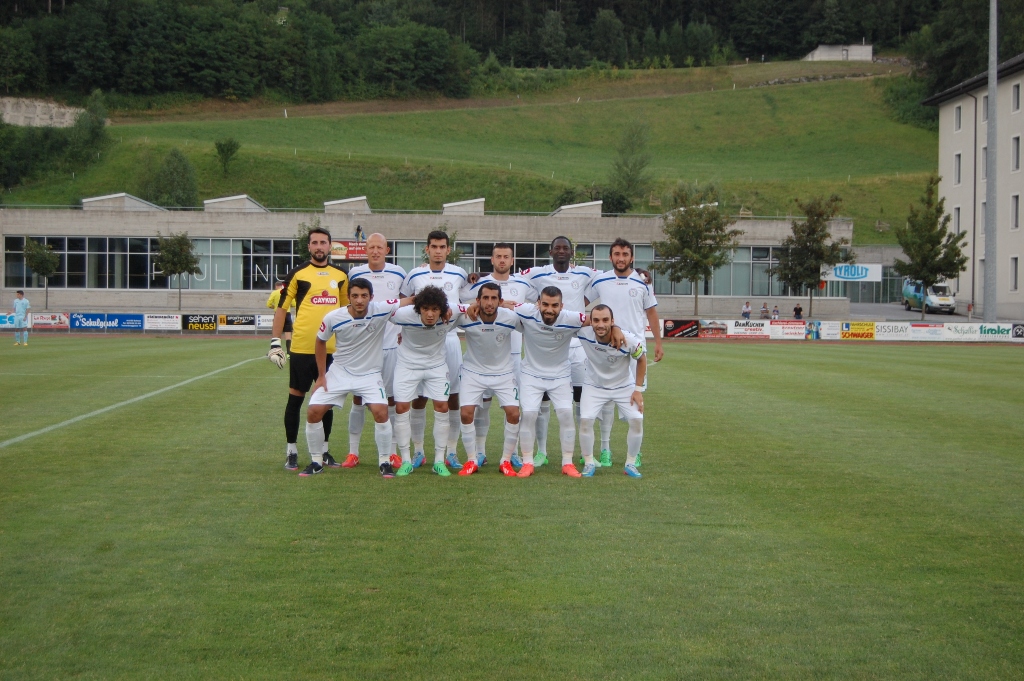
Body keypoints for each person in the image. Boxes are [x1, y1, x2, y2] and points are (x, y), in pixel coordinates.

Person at [302, 279, 412, 478]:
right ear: (348, 297)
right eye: (355, 296)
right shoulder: (334, 317)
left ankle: (384, 462)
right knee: (313, 411)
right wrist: (321, 376)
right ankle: (316, 462)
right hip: (339, 372)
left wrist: (444, 306)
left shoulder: (380, 309)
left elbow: (412, 300)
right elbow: (320, 341)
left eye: (364, 296)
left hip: (369, 374)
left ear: (371, 297)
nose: (359, 300)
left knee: (381, 412)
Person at [511, 286, 624, 478]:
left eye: (555, 305)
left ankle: (567, 462)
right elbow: (503, 305)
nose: (549, 309)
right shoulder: (526, 311)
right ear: (538, 303)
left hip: (560, 375)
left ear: (561, 306)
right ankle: (527, 462)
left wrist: (617, 328)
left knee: (566, 415)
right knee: (529, 415)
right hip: (531, 374)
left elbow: (596, 321)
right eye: (545, 304)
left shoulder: (571, 318)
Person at [267, 227, 349, 471]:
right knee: (296, 398)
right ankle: (291, 450)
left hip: (332, 348)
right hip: (302, 347)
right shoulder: (297, 273)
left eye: (323, 242)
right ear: (309, 247)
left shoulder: (341, 275)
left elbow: (347, 312)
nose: (319, 247)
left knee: (326, 401)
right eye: (315, 243)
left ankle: (324, 451)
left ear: (330, 246)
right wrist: (275, 342)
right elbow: (281, 309)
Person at [520, 236, 601, 467]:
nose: (562, 251)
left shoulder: (584, 272)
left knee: (579, 401)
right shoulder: (536, 272)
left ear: (572, 252)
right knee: (541, 403)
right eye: (558, 248)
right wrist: (473, 277)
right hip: (549, 340)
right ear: (550, 251)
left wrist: (640, 274)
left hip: (576, 343)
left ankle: (585, 453)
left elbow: (608, 279)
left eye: (566, 248)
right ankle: (541, 452)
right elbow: (510, 280)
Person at [584, 238, 662, 468]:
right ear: (610, 257)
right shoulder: (601, 279)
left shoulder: (643, 281)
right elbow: (581, 300)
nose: (621, 258)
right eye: (616, 254)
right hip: (606, 346)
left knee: (635, 401)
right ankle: (605, 449)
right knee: (606, 402)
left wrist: (658, 342)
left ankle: (634, 454)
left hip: (634, 349)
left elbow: (652, 313)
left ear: (632, 257)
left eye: (625, 254)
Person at [460, 242, 537, 468]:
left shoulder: (523, 283)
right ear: (492, 260)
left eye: (506, 256)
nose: (502, 260)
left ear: (512, 261)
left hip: (511, 356)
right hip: (480, 359)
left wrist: (516, 308)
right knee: (480, 406)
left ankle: (510, 454)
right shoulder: (481, 284)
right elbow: (459, 296)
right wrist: (471, 279)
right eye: (498, 256)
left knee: (513, 410)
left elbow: (537, 305)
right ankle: (479, 453)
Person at [400, 231, 468, 471]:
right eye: (434, 247)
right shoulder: (414, 274)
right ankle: (418, 451)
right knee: (419, 398)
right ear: (426, 250)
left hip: (449, 339)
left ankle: (451, 451)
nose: (438, 251)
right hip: (420, 340)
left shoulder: (459, 273)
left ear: (448, 250)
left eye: (442, 247)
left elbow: (469, 300)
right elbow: (405, 301)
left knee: (452, 398)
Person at [344, 233, 406, 470]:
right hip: (363, 349)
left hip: (391, 346)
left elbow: (404, 302)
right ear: (365, 249)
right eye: (371, 247)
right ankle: (353, 452)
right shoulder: (355, 273)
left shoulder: (399, 272)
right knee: (358, 399)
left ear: (387, 250)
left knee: (390, 399)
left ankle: (391, 452)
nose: (375, 251)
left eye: (379, 247)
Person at [390, 286, 466, 477]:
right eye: (425, 309)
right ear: (418, 309)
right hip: (407, 366)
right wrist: (407, 300)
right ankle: (407, 460)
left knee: (442, 407)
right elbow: (378, 310)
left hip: (436, 366)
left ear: (442, 309)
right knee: (401, 408)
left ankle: (439, 461)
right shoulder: (404, 314)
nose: (430, 314)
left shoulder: (452, 312)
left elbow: (476, 306)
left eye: (435, 309)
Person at [456, 283, 522, 477]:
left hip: (503, 373)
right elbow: (443, 316)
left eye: (494, 298)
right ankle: (471, 460)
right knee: (466, 413)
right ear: (478, 300)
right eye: (485, 298)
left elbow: (534, 323)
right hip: (473, 372)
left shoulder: (510, 318)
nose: (489, 302)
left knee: (514, 413)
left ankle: (506, 461)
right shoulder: (467, 317)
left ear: (500, 301)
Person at [576, 305, 647, 478]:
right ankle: (588, 463)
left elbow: (642, 359)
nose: (601, 324)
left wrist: (637, 390)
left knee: (637, 420)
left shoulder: (628, 339)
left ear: (613, 321)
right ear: (590, 322)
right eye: (596, 320)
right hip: (594, 385)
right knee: (585, 421)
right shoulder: (583, 333)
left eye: (606, 320)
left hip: (624, 386)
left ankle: (630, 464)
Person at [265, 282, 293, 354]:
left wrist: (274, 307)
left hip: (278, 313)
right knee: (288, 334)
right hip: (287, 313)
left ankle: (275, 351)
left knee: (276, 334)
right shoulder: (288, 292)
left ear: (276, 286)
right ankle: (289, 353)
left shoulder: (274, 293)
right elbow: (294, 304)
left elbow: (268, 304)